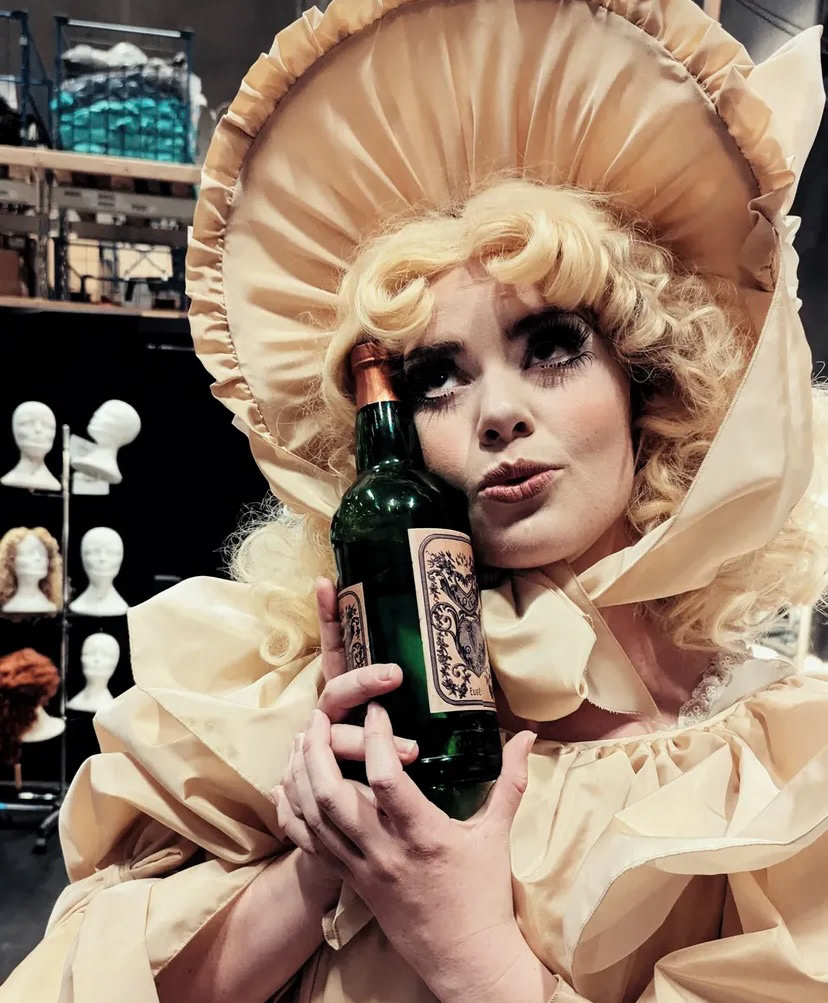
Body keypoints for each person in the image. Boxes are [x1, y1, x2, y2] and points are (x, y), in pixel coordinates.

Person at [4, 0, 828, 1000]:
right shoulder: (301, 700)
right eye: (438, 376)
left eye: (552, 348)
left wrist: (467, 948)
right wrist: (324, 861)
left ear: (642, 384)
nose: (500, 413)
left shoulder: (778, 761)